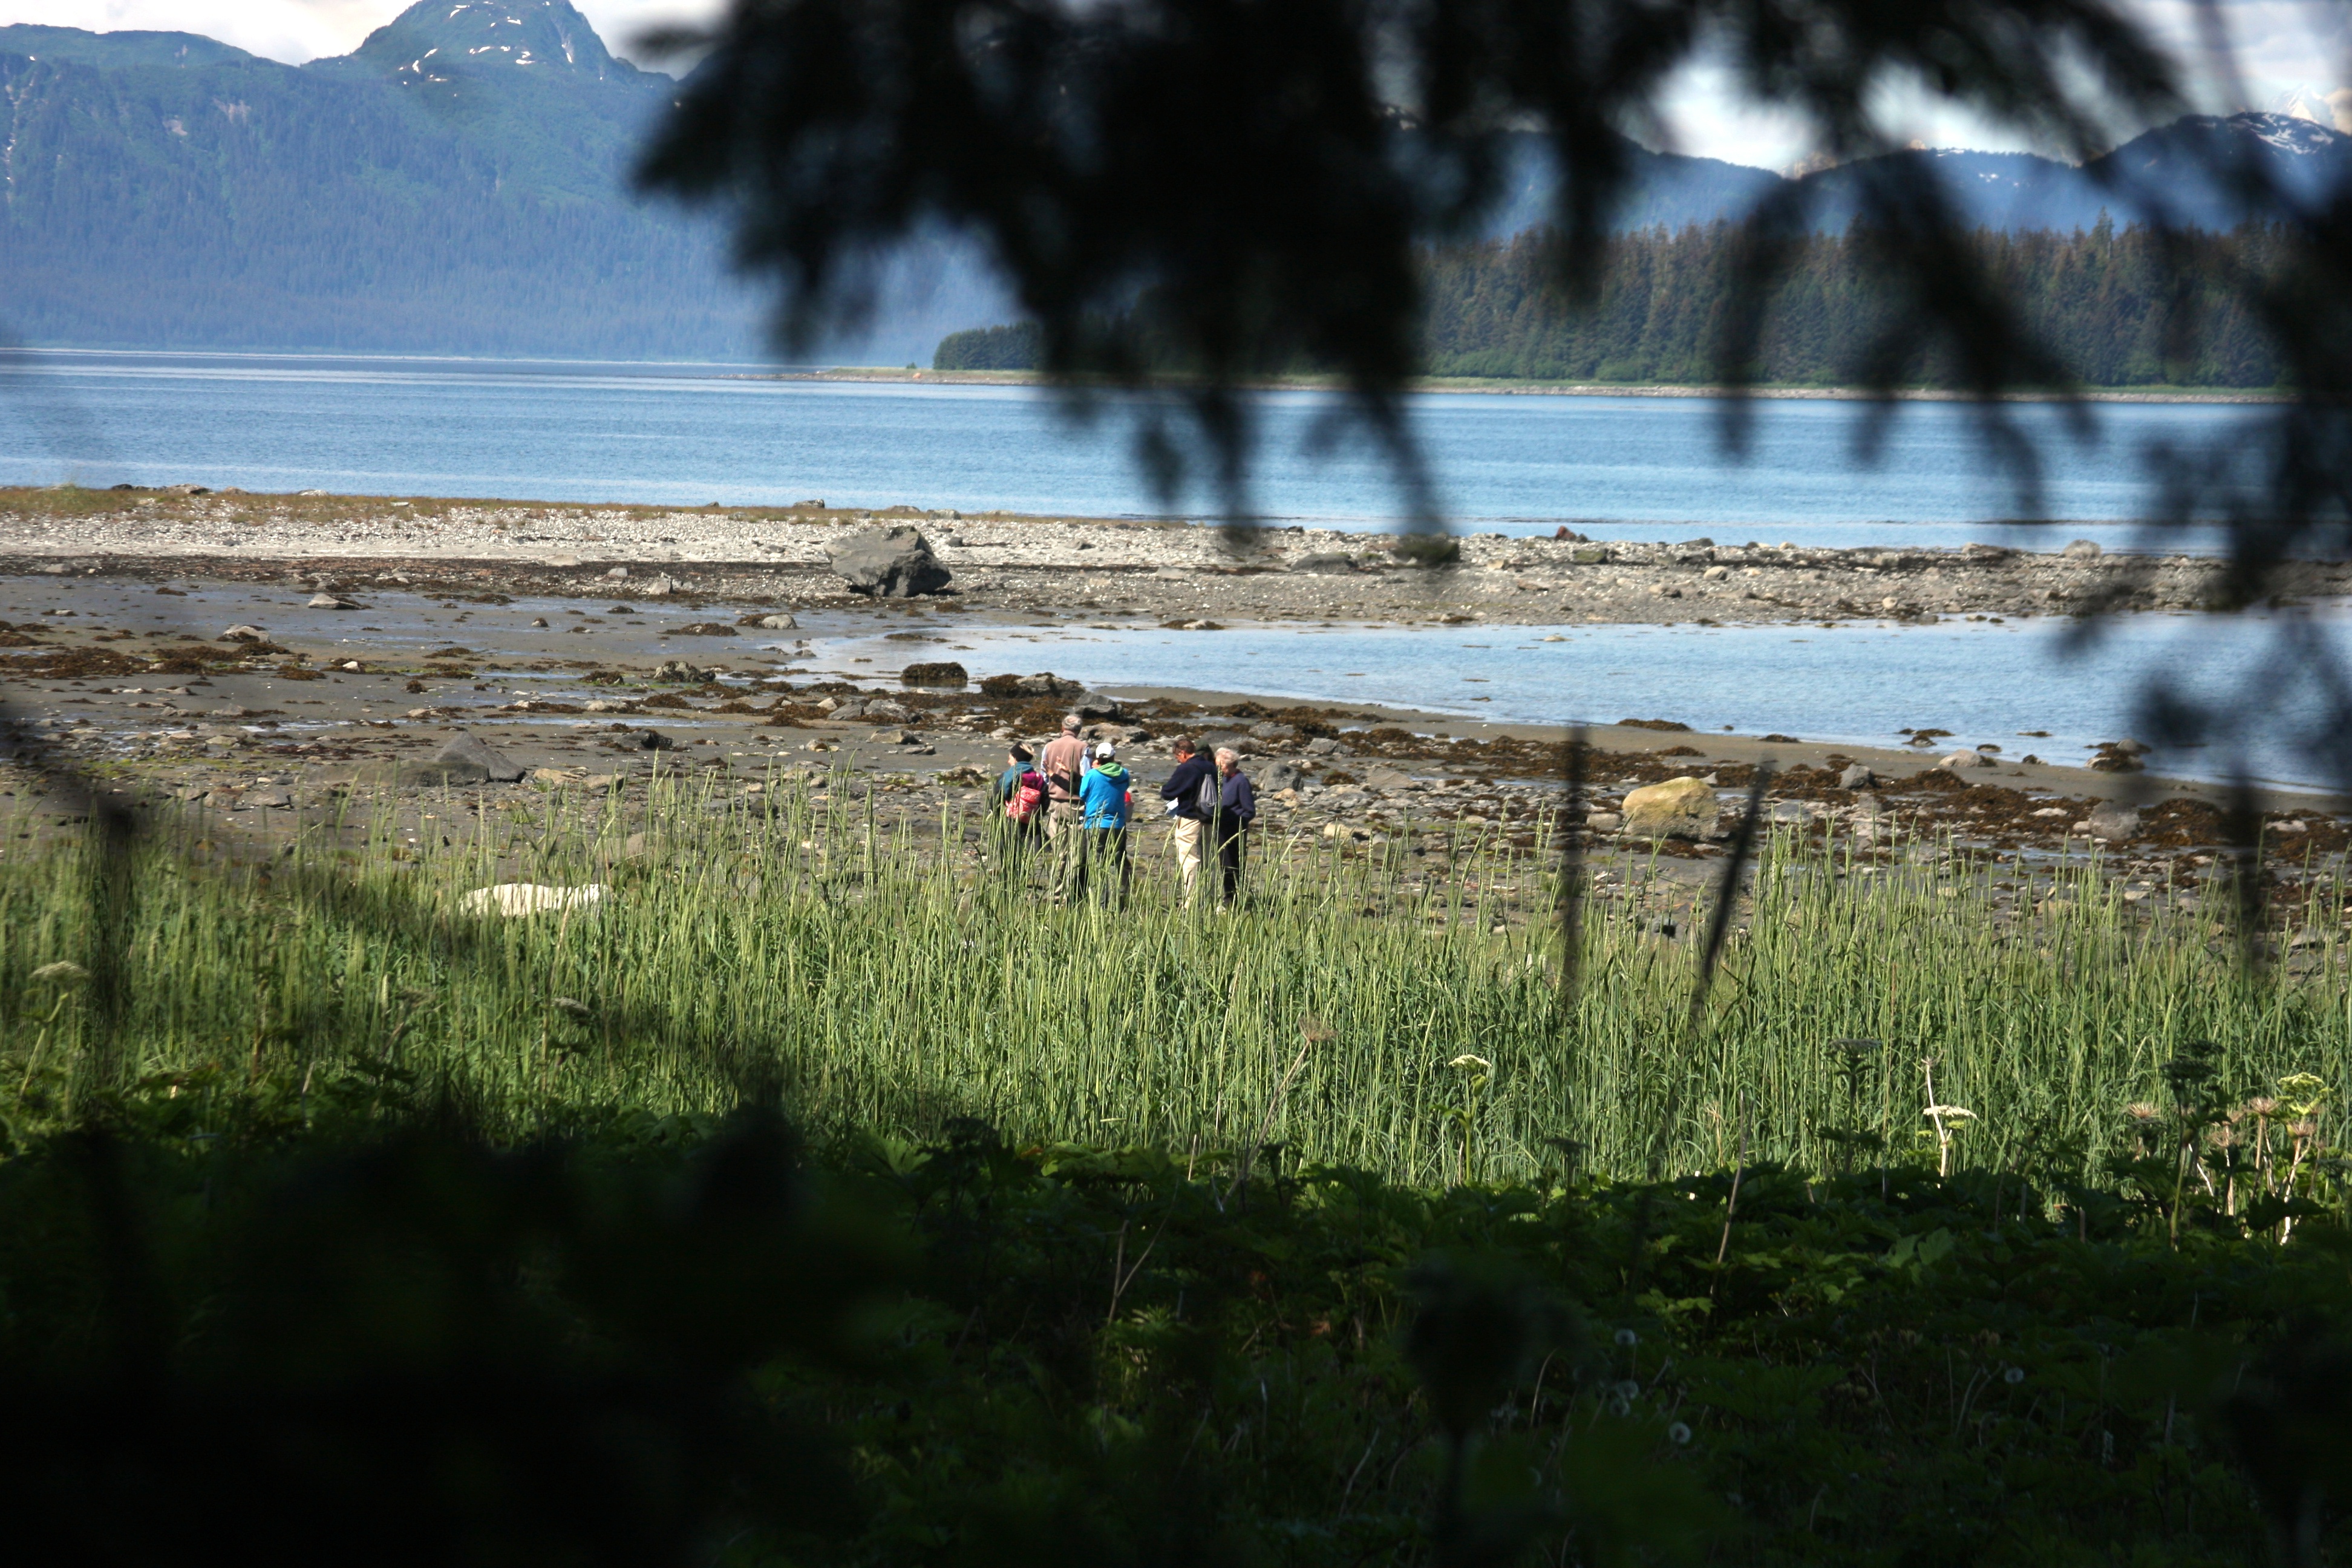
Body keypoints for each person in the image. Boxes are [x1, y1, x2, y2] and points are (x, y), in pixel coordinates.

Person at [1159, 735, 1219, 904]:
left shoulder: (1187, 768)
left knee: (1190, 860)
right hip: (1210, 817)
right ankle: (1210, 898)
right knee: (1209, 858)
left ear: (1183, 753)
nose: (1178, 760)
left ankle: (1191, 902)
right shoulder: (1211, 766)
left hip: (1190, 817)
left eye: (1177, 757)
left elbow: (1168, 792)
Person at [1039, 713, 1092, 904]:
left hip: (1055, 804)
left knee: (1059, 853)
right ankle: (1070, 896)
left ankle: (1055, 894)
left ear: (1062, 728)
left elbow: (1044, 776)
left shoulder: (1049, 747)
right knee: (1076, 853)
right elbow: (1087, 778)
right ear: (1079, 730)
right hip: (1076, 805)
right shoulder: (1083, 748)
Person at [1076, 739, 1134, 906]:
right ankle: (1117, 901)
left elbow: (1083, 794)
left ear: (1098, 759)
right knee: (1116, 863)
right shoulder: (1124, 773)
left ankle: (1101, 903)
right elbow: (1124, 788)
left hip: (1095, 823)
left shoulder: (1092, 775)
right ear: (1114, 757)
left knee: (1098, 863)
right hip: (1117, 824)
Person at [992, 743, 1047, 870]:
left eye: (1010, 757)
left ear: (1016, 758)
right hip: (1030, 822)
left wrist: (998, 813)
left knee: (1007, 851)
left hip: (1010, 820)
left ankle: (1008, 879)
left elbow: (997, 797)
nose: (1009, 760)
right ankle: (1020, 877)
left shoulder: (1008, 776)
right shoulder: (1038, 778)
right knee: (1025, 853)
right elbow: (1045, 802)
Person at [1212, 746, 1256, 905]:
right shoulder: (1222, 780)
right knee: (1224, 865)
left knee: (1234, 866)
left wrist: (1234, 820)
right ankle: (1228, 897)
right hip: (1222, 829)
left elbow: (1249, 811)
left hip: (1235, 830)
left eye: (1221, 765)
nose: (1219, 768)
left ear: (1230, 764)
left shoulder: (1241, 781)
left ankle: (1235, 899)